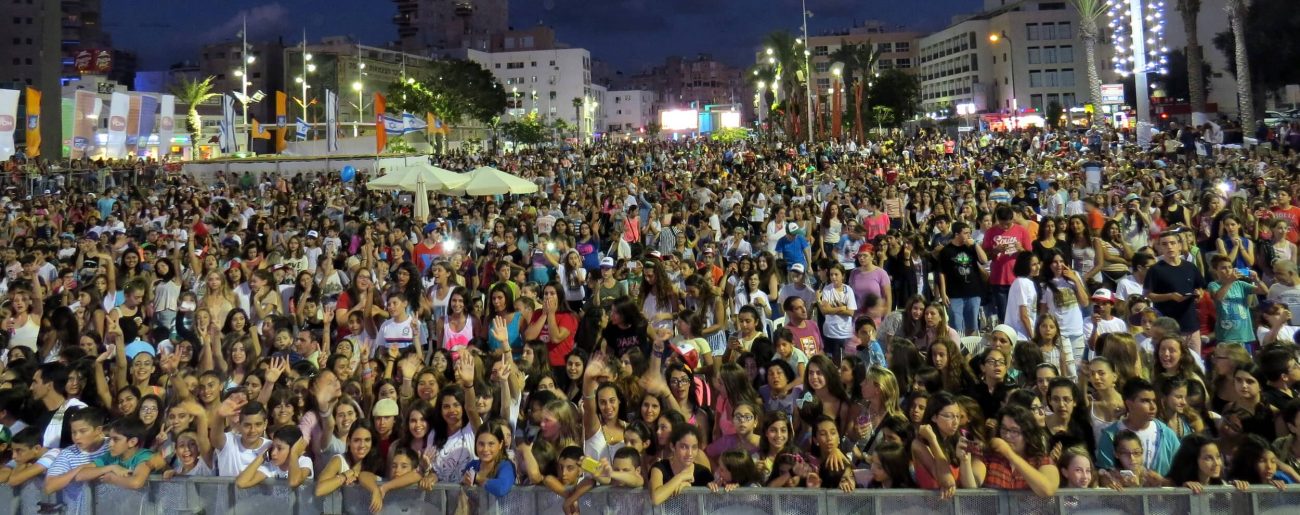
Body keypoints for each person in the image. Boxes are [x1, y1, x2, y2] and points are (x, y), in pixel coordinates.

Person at [1095, 378, 1180, 476]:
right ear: (1129, 404)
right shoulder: (1110, 435)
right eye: (1145, 401)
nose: (1153, 406)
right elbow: (1104, 475)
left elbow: (1180, 472)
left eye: (1154, 401)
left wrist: (1163, 482)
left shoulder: (1167, 434)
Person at [1144, 230, 1206, 358]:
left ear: (1179, 245)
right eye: (1165, 244)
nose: (1169, 247)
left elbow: (1200, 287)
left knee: (1195, 363)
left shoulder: (1190, 267)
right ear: (1160, 247)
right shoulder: (1155, 270)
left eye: (1172, 243)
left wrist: (1198, 293)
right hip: (1168, 330)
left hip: (1191, 326)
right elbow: (1148, 294)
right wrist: (1170, 296)